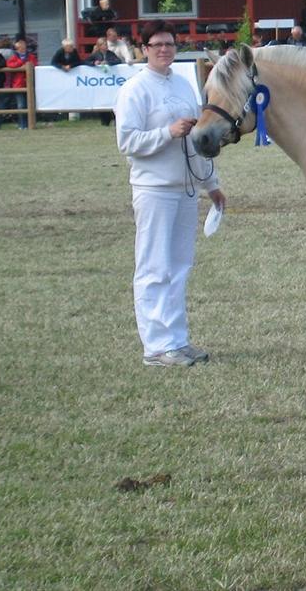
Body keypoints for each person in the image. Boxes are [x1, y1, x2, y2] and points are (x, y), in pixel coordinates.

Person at [115, 20, 224, 368]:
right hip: (154, 188)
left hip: (186, 187)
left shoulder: (182, 83)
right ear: (144, 48)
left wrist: (212, 183)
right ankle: (156, 346)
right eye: (157, 44)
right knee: (154, 266)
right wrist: (166, 132)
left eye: (170, 44)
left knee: (179, 265)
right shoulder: (135, 89)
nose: (164, 49)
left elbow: (198, 140)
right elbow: (127, 142)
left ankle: (177, 339)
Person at [4, 38, 37, 129]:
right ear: (17, 49)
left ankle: (30, 123)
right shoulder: (14, 57)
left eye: (24, 47)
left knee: (29, 105)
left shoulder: (31, 56)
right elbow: (10, 65)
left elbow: (34, 64)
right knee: (21, 105)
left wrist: (26, 65)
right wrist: (22, 63)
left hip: (29, 83)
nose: (23, 49)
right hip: (18, 84)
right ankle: (22, 124)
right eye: (20, 48)